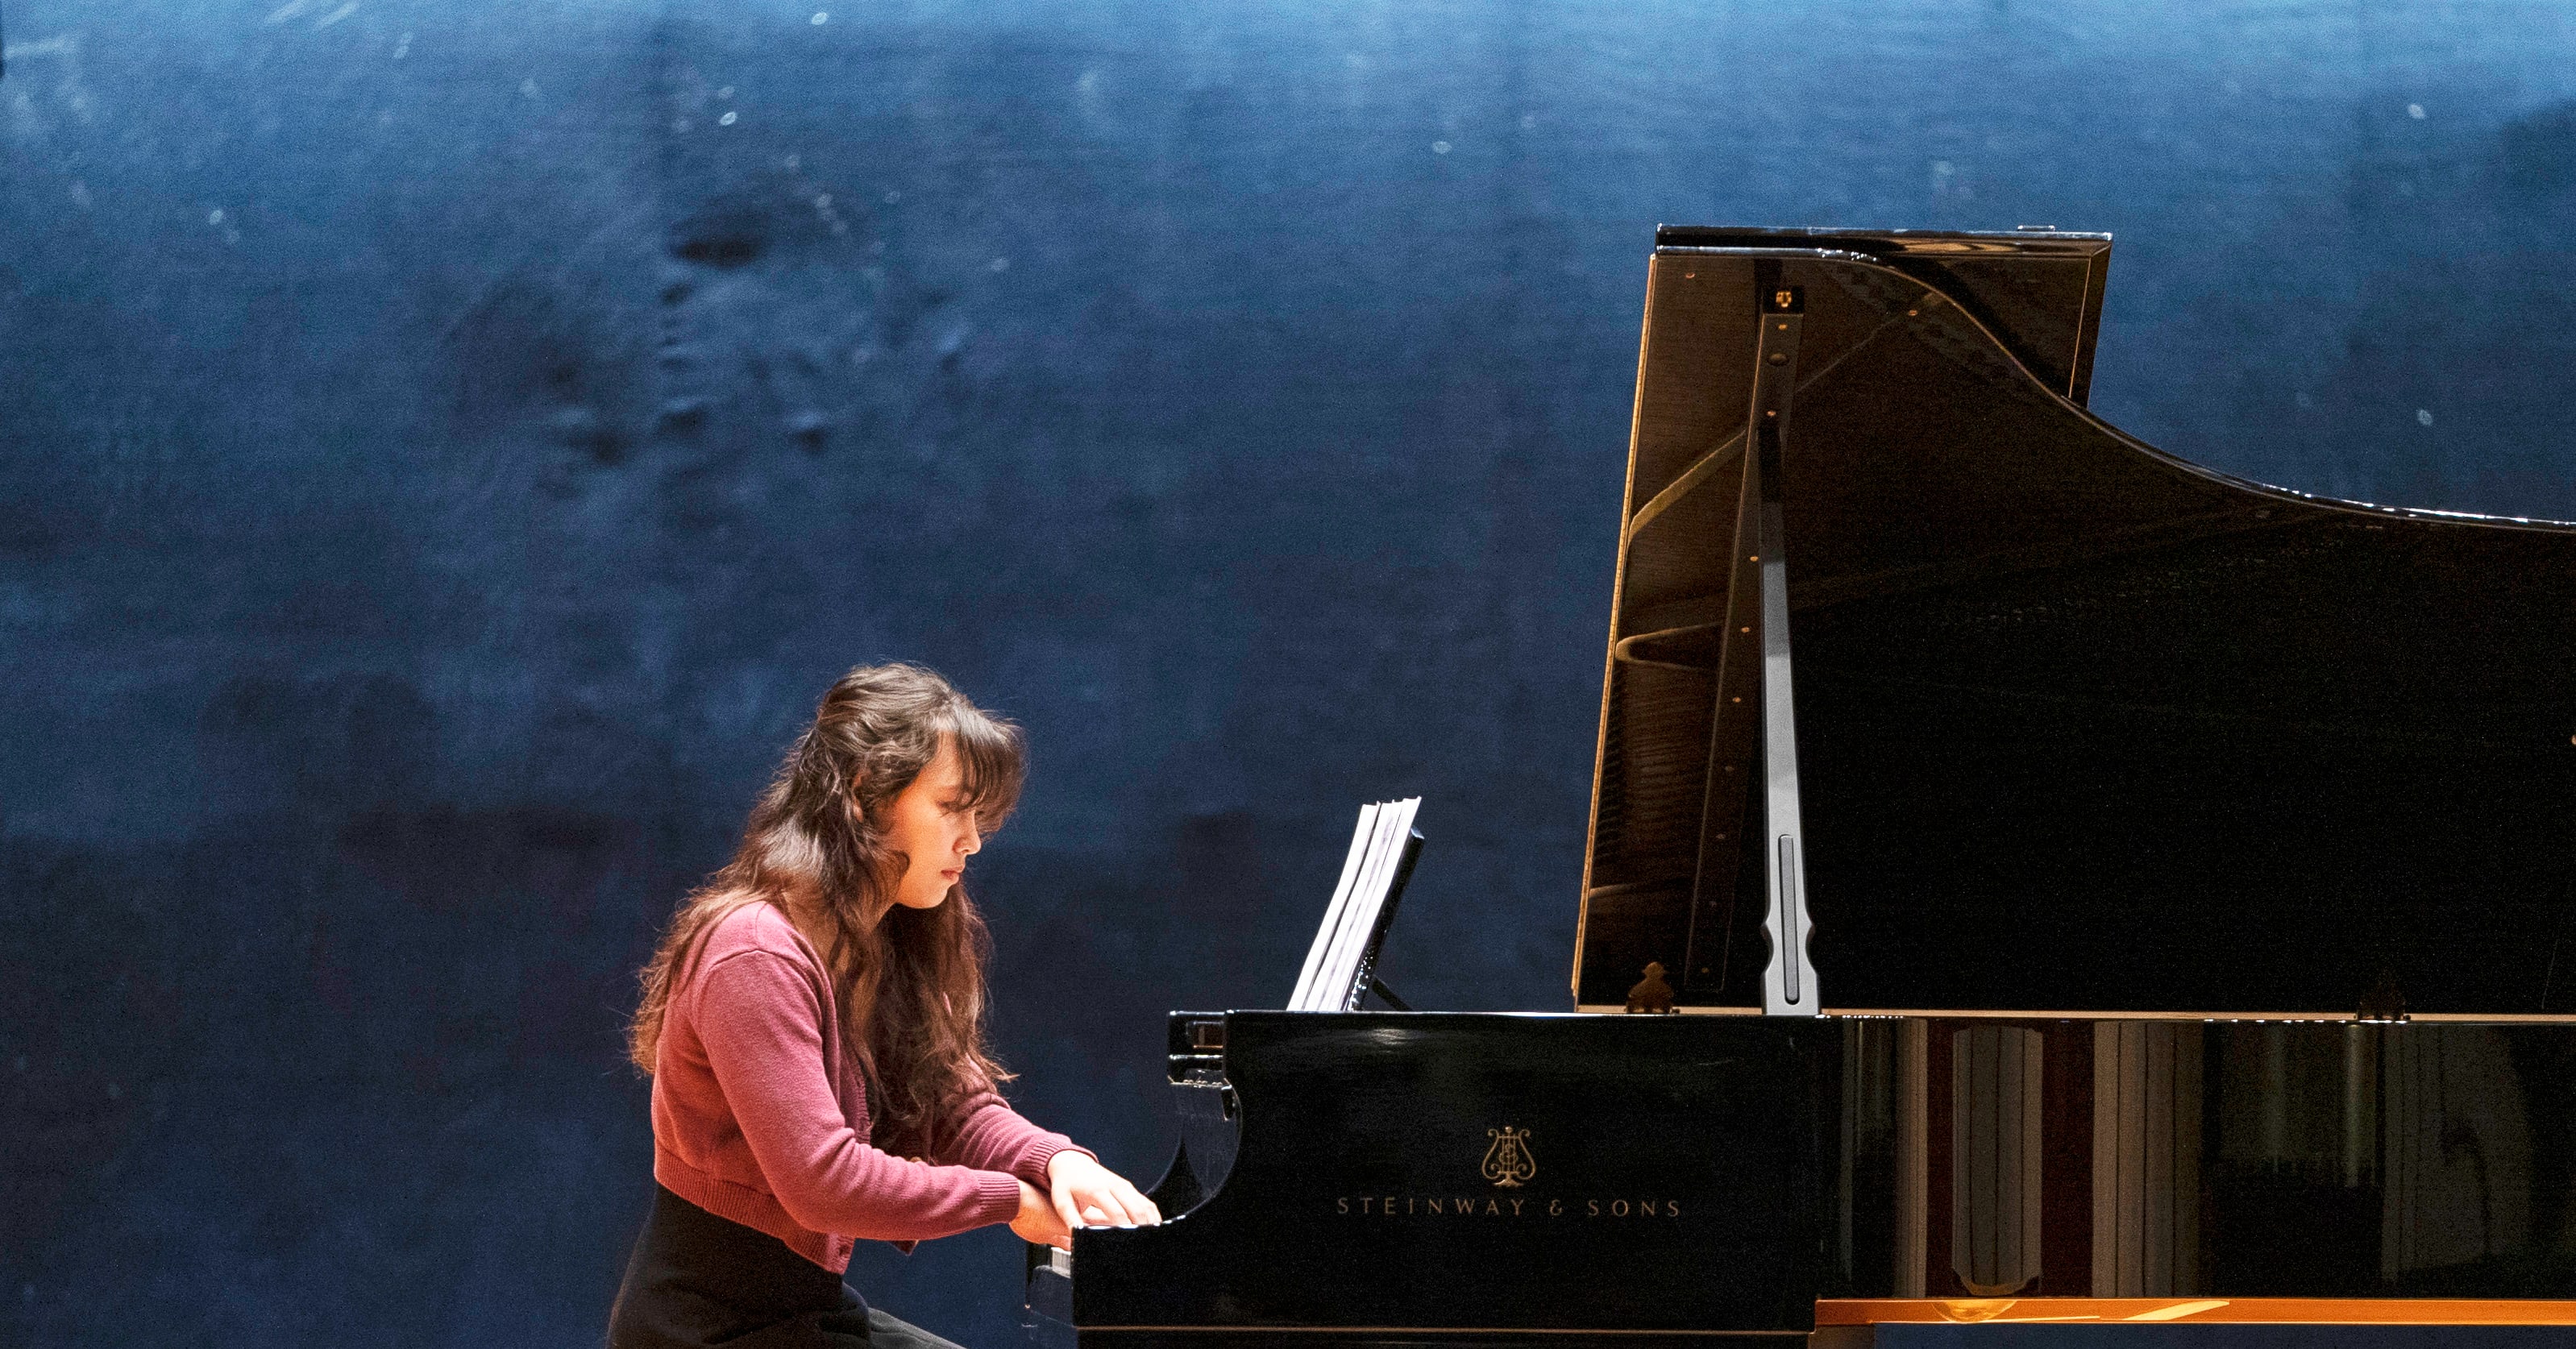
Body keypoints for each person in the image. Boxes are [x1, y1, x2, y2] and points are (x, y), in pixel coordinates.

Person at [608, 663, 1161, 1349]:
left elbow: (949, 1105)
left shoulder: (883, 936)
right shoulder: (753, 953)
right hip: (706, 1331)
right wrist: (1011, 1200)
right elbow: (825, 1181)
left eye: (978, 815)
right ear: (867, 791)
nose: (973, 839)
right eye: (952, 807)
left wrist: (1056, 1163)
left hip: (802, 1312)